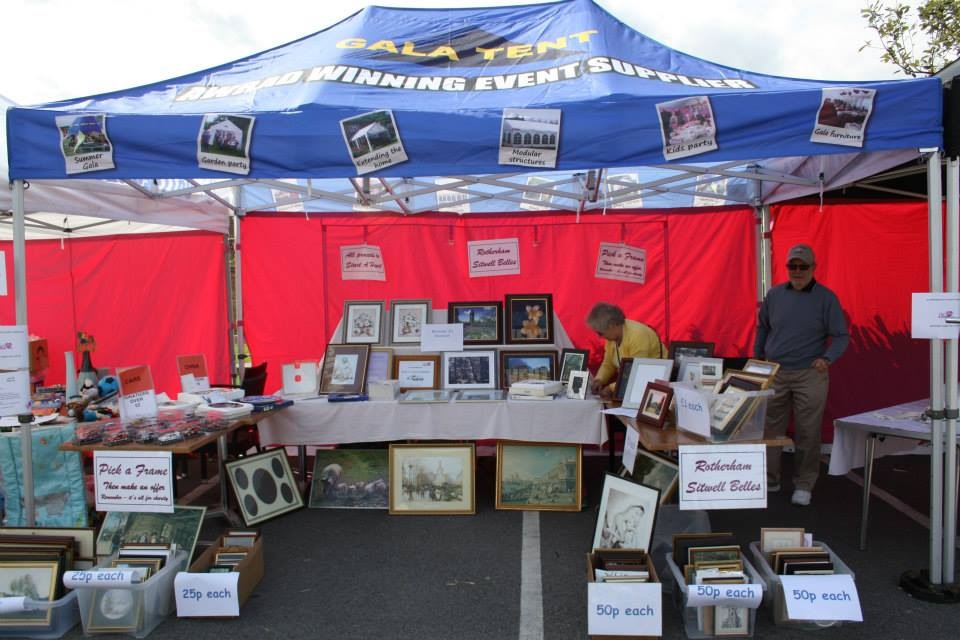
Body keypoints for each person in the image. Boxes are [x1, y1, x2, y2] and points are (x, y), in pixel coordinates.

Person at [755, 244, 848, 507]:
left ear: (813, 268)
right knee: (770, 429)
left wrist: (827, 359)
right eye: (792, 266)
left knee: (808, 431)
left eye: (802, 266)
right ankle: (769, 480)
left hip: (810, 374)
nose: (797, 271)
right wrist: (758, 357)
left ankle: (804, 484)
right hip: (776, 371)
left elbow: (841, 336)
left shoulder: (826, 298)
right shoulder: (774, 295)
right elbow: (762, 327)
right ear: (786, 267)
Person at [586, 302, 665, 400]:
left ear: (612, 325)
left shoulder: (637, 335)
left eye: (600, 333)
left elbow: (636, 372)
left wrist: (611, 388)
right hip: (635, 385)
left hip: (655, 385)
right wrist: (599, 379)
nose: (599, 336)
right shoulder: (613, 337)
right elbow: (608, 363)